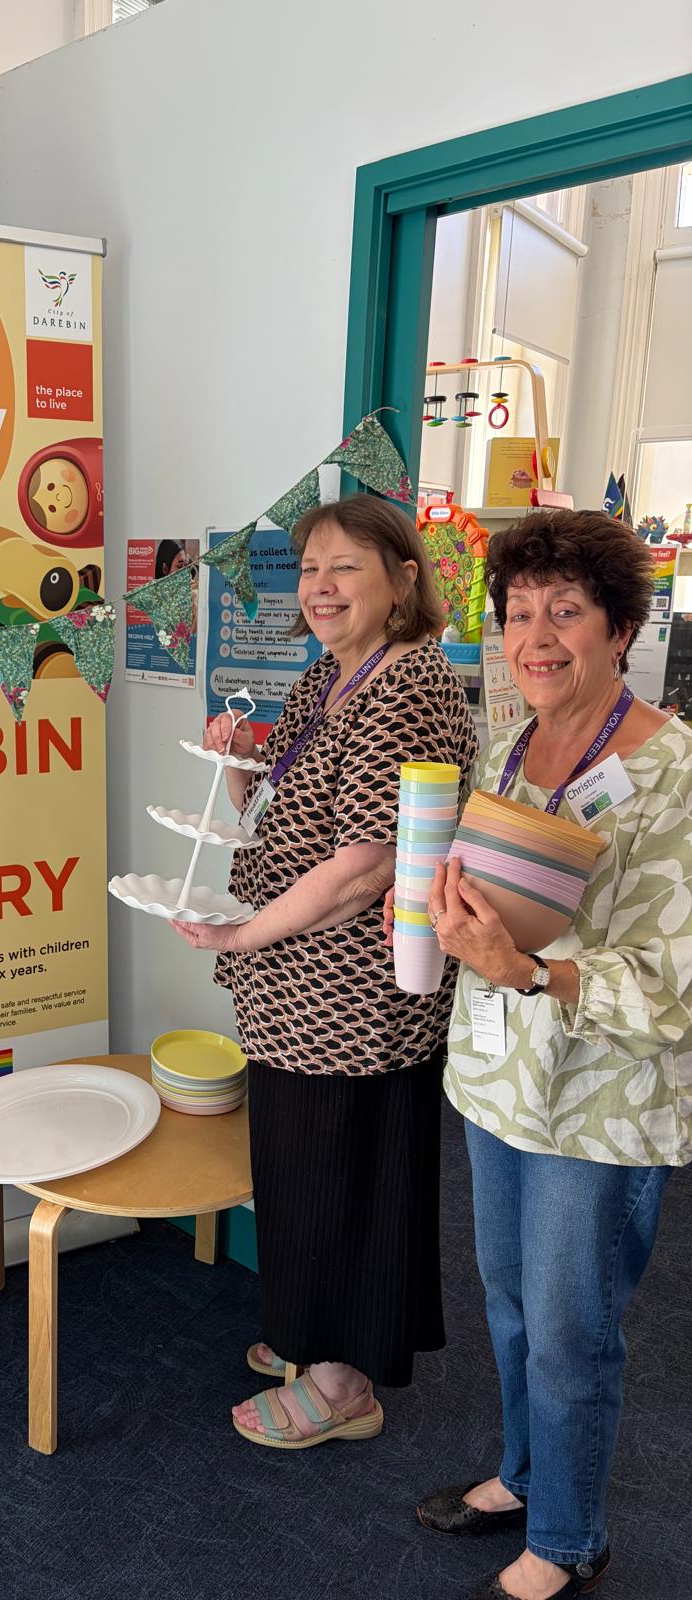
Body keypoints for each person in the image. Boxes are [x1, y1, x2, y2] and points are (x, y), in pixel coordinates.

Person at [411, 509, 691, 1600]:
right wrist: (441, 913)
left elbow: (673, 988)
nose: (535, 637)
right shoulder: (507, 746)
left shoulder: (672, 772)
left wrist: (530, 971)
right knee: (511, 1303)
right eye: (518, 612)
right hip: (500, 1080)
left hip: (602, 1099)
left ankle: (570, 1538)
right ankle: (527, 1477)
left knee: (574, 1330)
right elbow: (490, 899)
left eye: (564, 612)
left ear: (620, 629)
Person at [173, 496, 477, 1448]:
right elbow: (268, 812)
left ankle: (344, 1384)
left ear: (403, 580)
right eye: (310, 569)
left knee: (346, 1175)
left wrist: (242, 936)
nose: (321, 587)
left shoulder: (408, 687)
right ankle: (310, 1330)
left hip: (353, 998)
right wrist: (237, 761)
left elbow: (364, 867)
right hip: (294, 987)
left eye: (346, 567)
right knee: (302, 1168)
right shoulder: (330, 675)